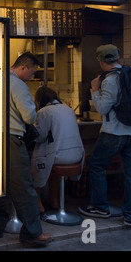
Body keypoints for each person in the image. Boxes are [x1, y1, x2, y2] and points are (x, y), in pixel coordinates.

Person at [0, 52, 51, 247]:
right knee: (24, 187)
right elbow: (29, 116)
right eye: (31, 73)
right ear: (23, 68)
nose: (31, 77)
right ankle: (32, 232)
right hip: (11, 139)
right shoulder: (18, 85)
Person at [79, 44, 131, 226]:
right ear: (118, 57)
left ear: (100, 61)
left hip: (114, 133)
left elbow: (102, 108)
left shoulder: (109, 80)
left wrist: (94, 89)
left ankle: (101, 207)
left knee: (96, 165)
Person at [31, 86, 84, 215]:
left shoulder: (44, 112)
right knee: (53, 169)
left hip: (58, 156)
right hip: (77, 156)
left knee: (34, 167)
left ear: (39, 100)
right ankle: (54, 200)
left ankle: (38, 204)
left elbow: (40, 136)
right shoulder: (69, 109)